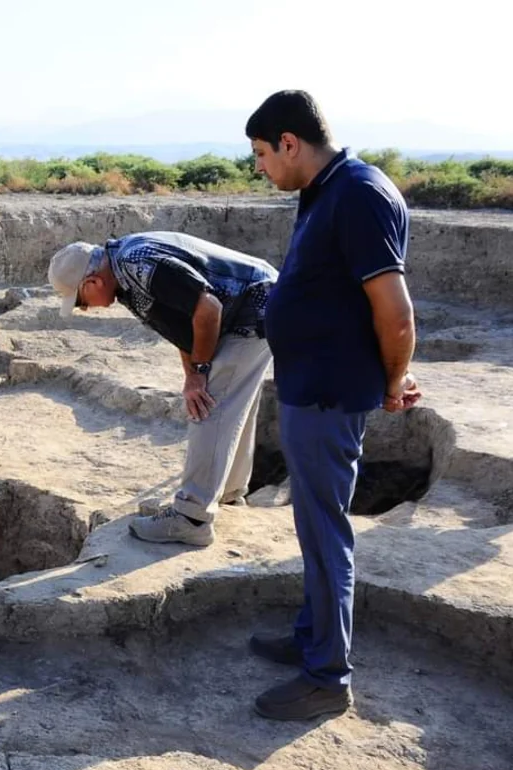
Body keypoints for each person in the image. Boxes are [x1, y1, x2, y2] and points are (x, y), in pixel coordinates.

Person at [244, 90, 421, 721]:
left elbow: (395, 314)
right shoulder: (326, 191)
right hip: (310, 390)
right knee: (314, 528)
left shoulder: (358, 193)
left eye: (262, 153)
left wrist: (393, 380)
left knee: (325, 535)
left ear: (290, 143)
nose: (260, 166)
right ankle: (311, 636)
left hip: (327, 396)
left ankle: (327, 678)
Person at [48, 231, 278, 547]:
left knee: (210, 403)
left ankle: (192, 518)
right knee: (228, 399)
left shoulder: (138, 265)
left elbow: (208, 308)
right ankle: (227, 493)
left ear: (92, 282)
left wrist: (200, 372)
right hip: (255, 306)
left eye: (80, 301)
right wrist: (190, 376)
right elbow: (183, 325)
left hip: (254, 308)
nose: (85, 309)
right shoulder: (123, 275)